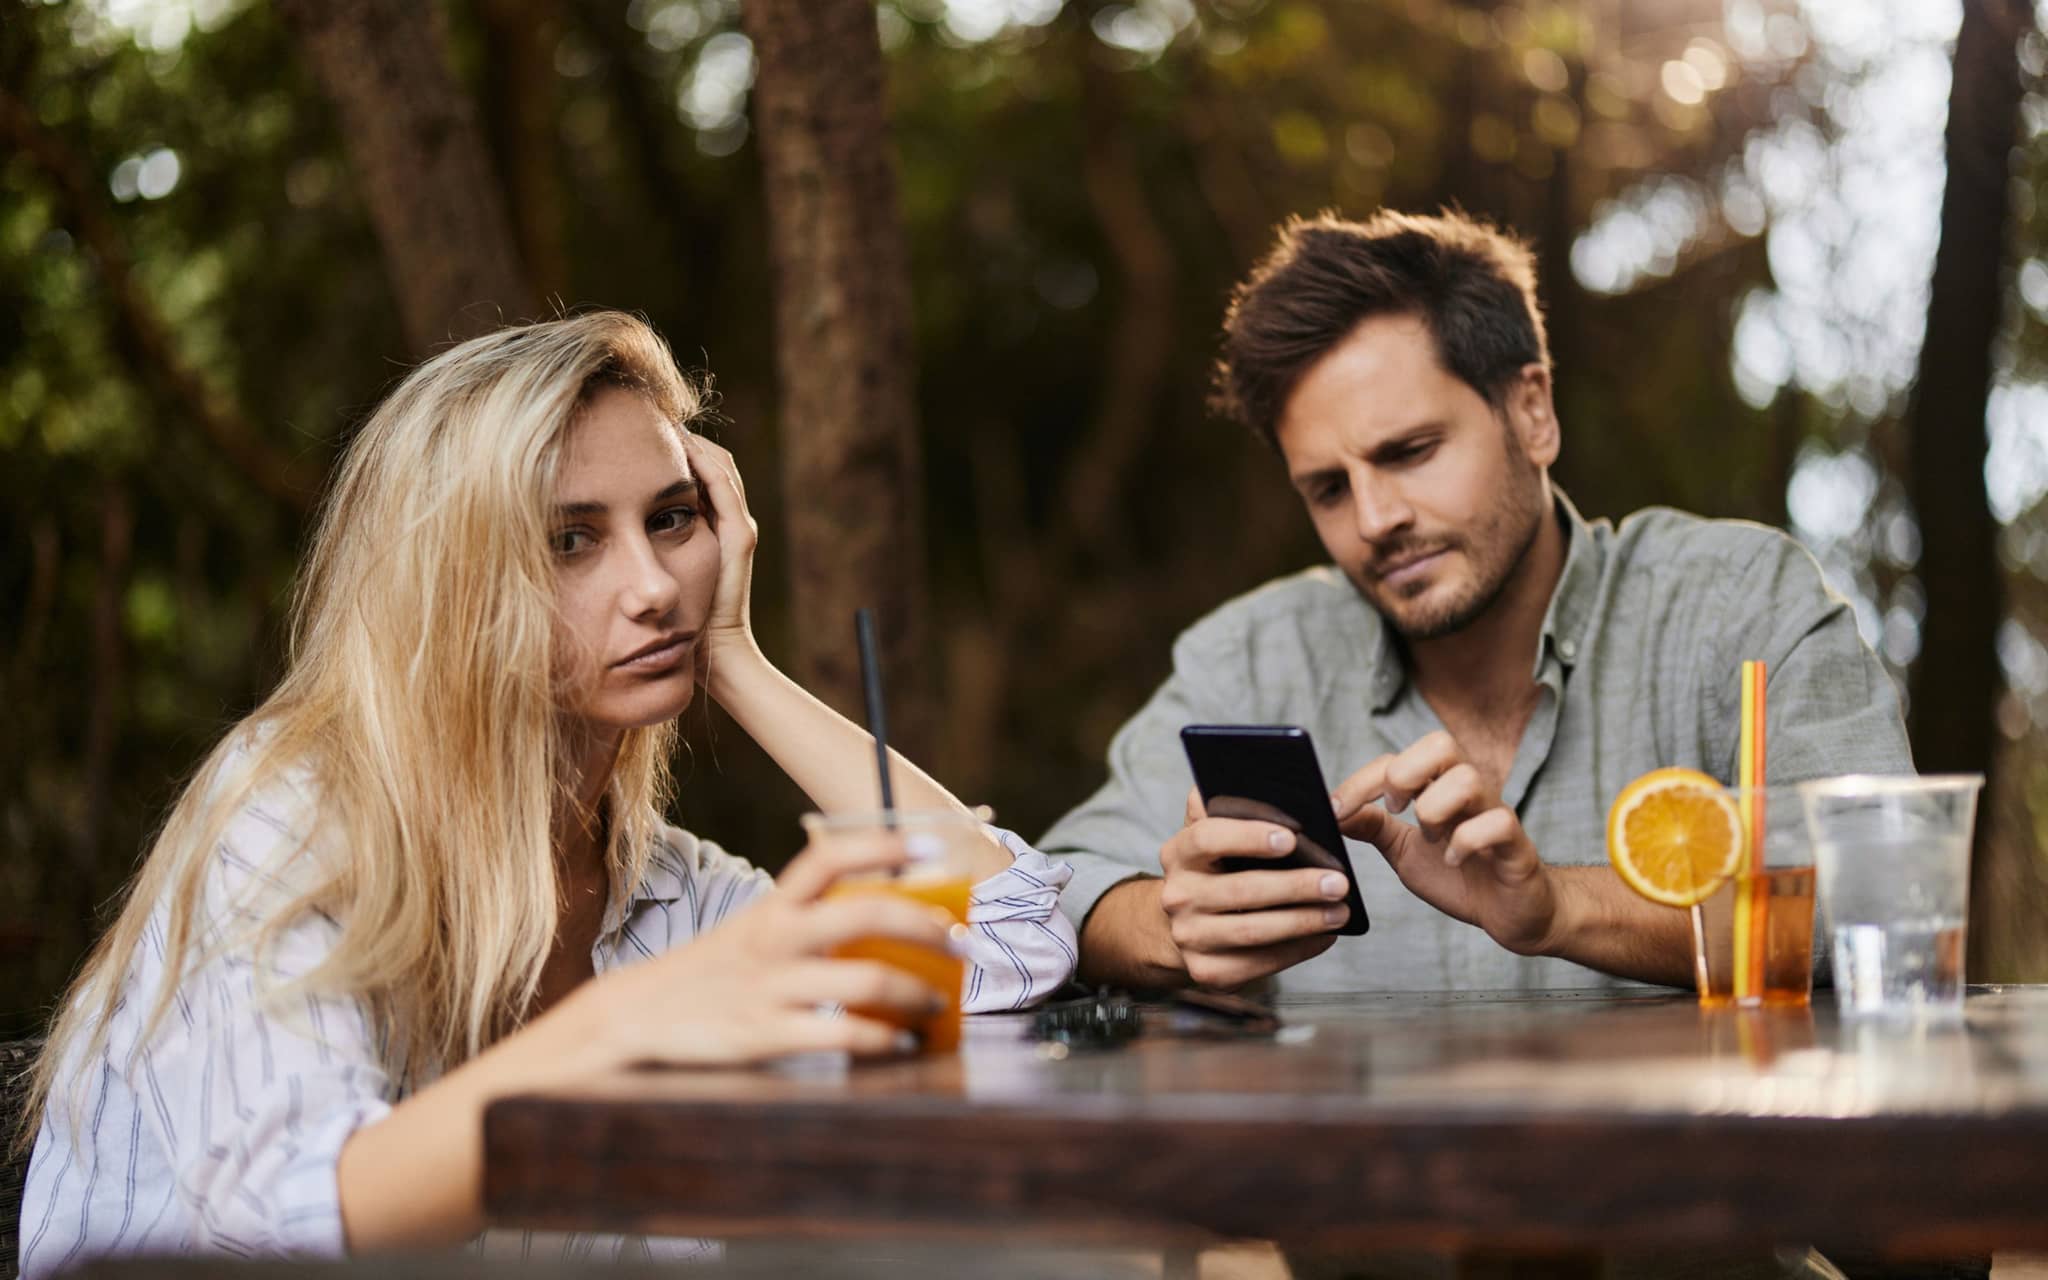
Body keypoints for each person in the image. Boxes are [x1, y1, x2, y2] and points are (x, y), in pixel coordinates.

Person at [18, 312, 1076, 1271]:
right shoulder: (294, 814)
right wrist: (624, 1025)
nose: (652, 585)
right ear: (451, 579)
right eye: (569, 539)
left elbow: (1012, 938)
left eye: (671, 518)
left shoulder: (654, 882)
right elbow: (288, 1223)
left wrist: (735, 656)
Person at [1042, 208, 1912, 996]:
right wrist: (1167, 923)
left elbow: (1886, 898)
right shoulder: (1251, 657)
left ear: (1532, 411)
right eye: (1329, 490)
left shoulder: (1739, 605)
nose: (1376, 521)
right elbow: (1054, 890)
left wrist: (1558, 911)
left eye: (1411, 451)